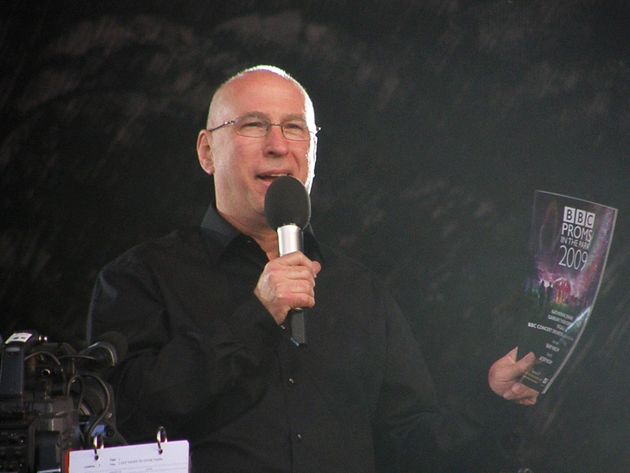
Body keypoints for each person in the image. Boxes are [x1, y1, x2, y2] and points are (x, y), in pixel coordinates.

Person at [88, 65, 538, 472]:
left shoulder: (360, 291)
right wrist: (257, 316)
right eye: (253, 125)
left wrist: (489, 402)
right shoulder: (140, 277)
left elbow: (407, 447)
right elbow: (121, 420)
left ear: (314, 152)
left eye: (295, 128)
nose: (278, 145)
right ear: (207, 151)